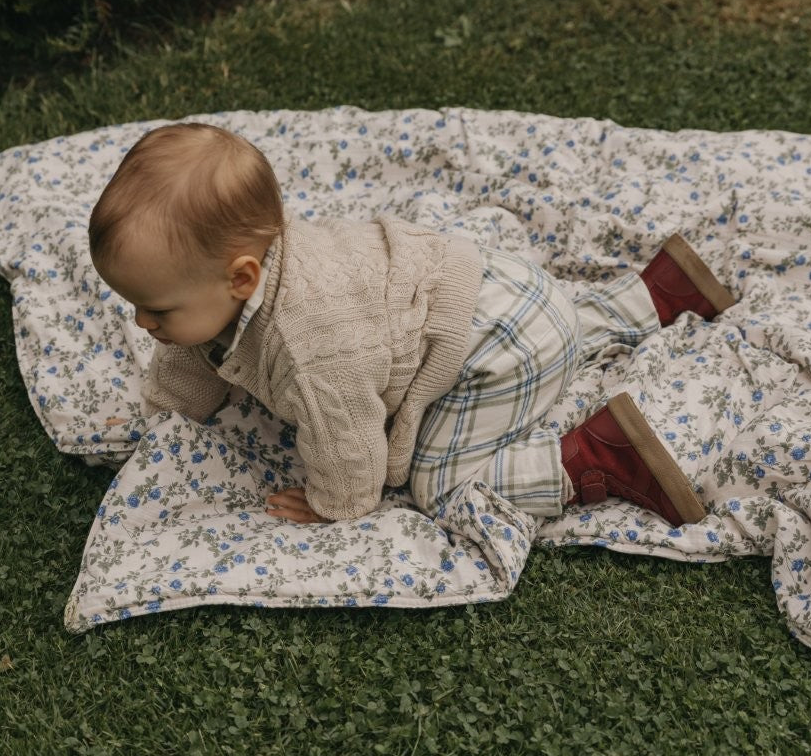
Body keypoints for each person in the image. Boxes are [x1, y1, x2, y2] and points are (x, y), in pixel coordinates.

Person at [89, 123, 736, 527]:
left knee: (438, 483)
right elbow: (191, 356)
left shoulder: (308, 346)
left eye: (157, 310)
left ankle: (593, 457)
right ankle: (654, 295)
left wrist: (336, 502)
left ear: (241, 278)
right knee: (555, 324)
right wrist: (165, 412)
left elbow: (349, 441)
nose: (142, 323)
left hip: (497, 347)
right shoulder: (236, 276)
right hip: (505, 288)